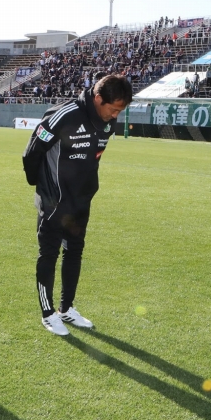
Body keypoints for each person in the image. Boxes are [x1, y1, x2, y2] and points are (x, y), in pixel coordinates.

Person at [21, 74, 132, 335]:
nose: (115, 115)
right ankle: (48, 314)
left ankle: (66, 308)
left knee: (74, 252)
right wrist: (43, 189)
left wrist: (86, 191)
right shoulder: (65, 115)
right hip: (54, 200)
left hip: (81, 201)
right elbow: (32, 151)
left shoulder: (108, 123)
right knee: (49, 254)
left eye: (120, 111)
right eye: (113, 109)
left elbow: (93, 159)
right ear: (98, 99)